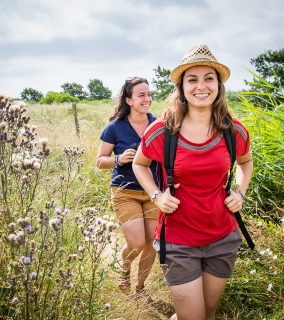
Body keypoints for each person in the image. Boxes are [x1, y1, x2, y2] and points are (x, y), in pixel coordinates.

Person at [132, 44, 253, 320]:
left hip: (222, 236)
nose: (202, 86)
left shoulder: (233, 130)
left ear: (219, 86)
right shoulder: (163, 130)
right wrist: (156, 196)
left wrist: (240, 192)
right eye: (192, 79)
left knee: (208, 313)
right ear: (182, 87)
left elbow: (245, 162)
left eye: (209, 78)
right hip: (178, 240)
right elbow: (140, 164)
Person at [96, 77, 159, 295]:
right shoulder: (115, 127)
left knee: (152, 243)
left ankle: (140, 289)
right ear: (129, 100)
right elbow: (99, 160)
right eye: (141, 95)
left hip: (154, 192)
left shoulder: (159, 125)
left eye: (149, 94)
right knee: (137, 243)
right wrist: (119, 159)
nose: (147, 99)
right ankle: (125, 269)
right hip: (126, 191)